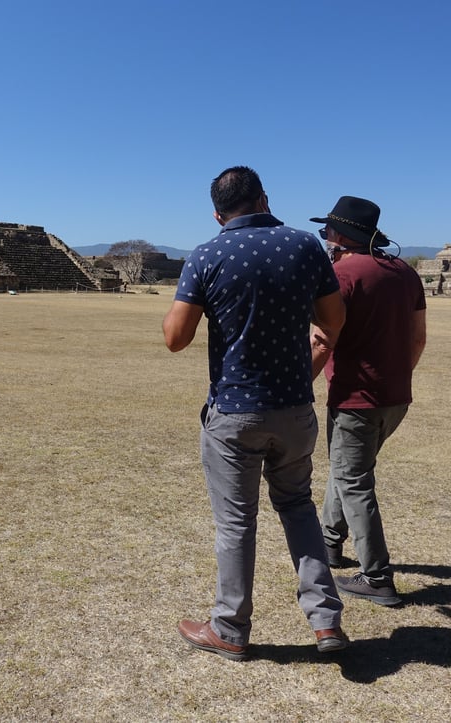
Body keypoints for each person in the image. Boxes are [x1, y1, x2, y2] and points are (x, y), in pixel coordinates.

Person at [163, 166, 348, 661]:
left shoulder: (207, 254)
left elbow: (175, 339)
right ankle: (326, 623)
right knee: (298, 507)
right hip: (293, 409)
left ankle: (229, 627)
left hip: (234, 412)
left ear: (217, 213)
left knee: (236, 522)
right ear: (265, 199)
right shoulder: (307, 247)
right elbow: (332, 322)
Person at [309, 196, 427, 607]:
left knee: (353, 479)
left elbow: (322, 338)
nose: (325, 238)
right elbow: (418, 338)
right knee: (347, 470)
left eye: (327, 231)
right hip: (395, 397)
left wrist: (297, 383)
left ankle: (376, 575)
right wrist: (395, 378)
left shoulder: (341, 274)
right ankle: (328, 541)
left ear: (340, 235)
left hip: (355, 396)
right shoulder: (404, 273)